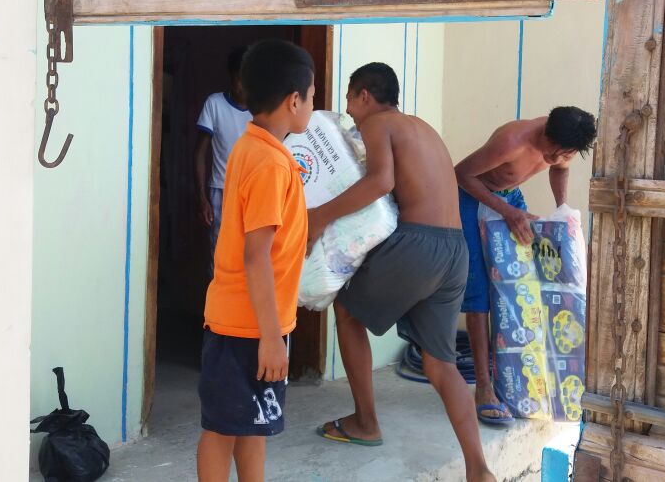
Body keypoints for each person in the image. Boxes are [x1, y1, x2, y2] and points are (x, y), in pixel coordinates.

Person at [308, 63, 496, 482]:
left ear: (364, 96)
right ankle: (478, 468)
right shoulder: (422, 128)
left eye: (350, 101)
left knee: (347, 312)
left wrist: (319, 216)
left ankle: (365, 422)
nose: (349, 111)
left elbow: (380, 182)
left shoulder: (379, 124)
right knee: (440, 364)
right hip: (455, 251)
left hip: (420, 243)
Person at [196, 40, 315, 482]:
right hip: (247, 328)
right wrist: (269, 338)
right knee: (222, 430)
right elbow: (256, 256)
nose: (312, 105)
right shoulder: (270, 164)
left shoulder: (253, 146)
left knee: (252, 424)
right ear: (294, 100)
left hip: (253, 322)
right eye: (312, 96)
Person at [453, 106, 597, 426]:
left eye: (565, 155)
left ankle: (520, 377)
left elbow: (560, 168)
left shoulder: (565, 140)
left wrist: (561, 209)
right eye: (553, 151)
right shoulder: (512, 141)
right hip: (472, 200)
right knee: (480, 292)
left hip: (510, 198)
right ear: (545, 132)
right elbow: (460, 175)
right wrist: (507, 212)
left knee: (525, 282)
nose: (556, 158)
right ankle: (484, 387)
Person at [196, 46, 252, 261]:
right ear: (230, 76)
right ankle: (217, 285)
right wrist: (202, 198)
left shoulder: (263, 109)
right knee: (220, 250)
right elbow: (200, 153)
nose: (244, 86)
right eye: (239, 79)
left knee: (251, 250)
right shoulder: (214, 104)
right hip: (221, 189)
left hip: (254, 190)